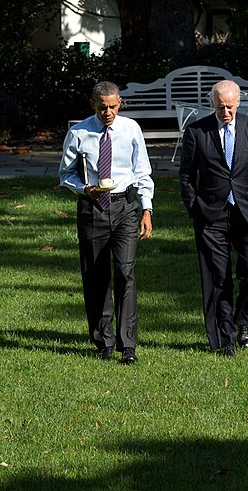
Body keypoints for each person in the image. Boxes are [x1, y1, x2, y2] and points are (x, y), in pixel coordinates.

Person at [178, 80, 248, 357]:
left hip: (246, 212)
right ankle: (225, 337)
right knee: (218, 278)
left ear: (239, 103)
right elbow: (186, 176)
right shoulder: (197, 132)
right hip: (211, 214)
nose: (226, 112)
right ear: (213, 104)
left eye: (230, 106)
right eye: (221, 106)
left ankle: (242, 321)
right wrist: (194, 207)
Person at [59, 81, 154, 365]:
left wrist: (146, 208)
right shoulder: (78, 133)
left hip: (125, 206)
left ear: (120, 103)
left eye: (113, 106)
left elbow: (142, 171)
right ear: (93, 105)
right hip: (92, 208)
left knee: (125, 272)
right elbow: (65, 174)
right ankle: (103, 341)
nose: (108, 112)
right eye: (103, 107)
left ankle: (128, 345)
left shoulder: (131, 130)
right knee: (96, 275)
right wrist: (84, 188)